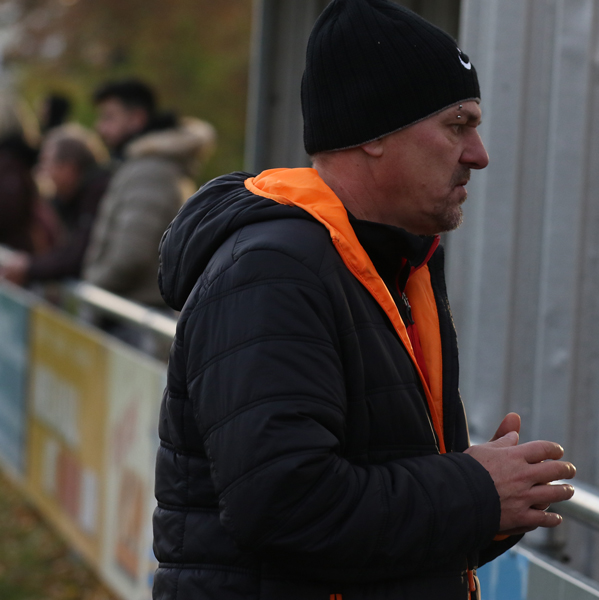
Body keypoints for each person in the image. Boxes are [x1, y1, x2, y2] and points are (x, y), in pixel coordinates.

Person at [152, 1, 576, 599]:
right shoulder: (273, 271)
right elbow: (287, 507)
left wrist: (495, 501)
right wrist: (474, 488)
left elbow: (369, 529)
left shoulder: (389, 261)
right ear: (373, 134)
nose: (478, 154)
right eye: (457, 124)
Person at [82, 78, 214, 308]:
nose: (100, 128)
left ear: (137, 118)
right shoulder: (145, 164)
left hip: (134, 312)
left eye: (109, 117)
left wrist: (91, 286)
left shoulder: (150, 170)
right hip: (133, 308)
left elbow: (131, 254)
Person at [0, 125, 110, 286]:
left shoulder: (96, 195)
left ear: (69, 168)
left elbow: (76, 256)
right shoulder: (73, 199)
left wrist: (30, 267)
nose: (40, 171)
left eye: (46, 162)